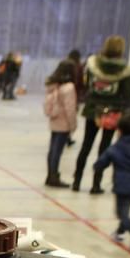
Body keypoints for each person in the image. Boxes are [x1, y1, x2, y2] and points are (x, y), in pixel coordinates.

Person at [72, 35, 130, 194]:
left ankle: (76, 182)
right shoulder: (126, 70)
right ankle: (96, 184)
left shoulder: (93, 65)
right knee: (104, 148)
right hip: (113, 112)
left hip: (93, 110)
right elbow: (127, 94)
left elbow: (87, 86)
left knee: (86, 146)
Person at [93, 112, 130, 250]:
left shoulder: (116, 147)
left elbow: (101, 162)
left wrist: (97, 167)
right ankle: (120, 232)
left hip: (123, 185)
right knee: (125, 209)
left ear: (119, 131)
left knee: (121, 213)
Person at [43, 60, 78, 188]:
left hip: (54, 119)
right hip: (63, 122)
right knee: (57, 151)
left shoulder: (53, 85)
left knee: (52, 150)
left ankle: (50, 175)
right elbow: (70, 108)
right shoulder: (69, 87)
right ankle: (54, 176)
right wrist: (73, 125)